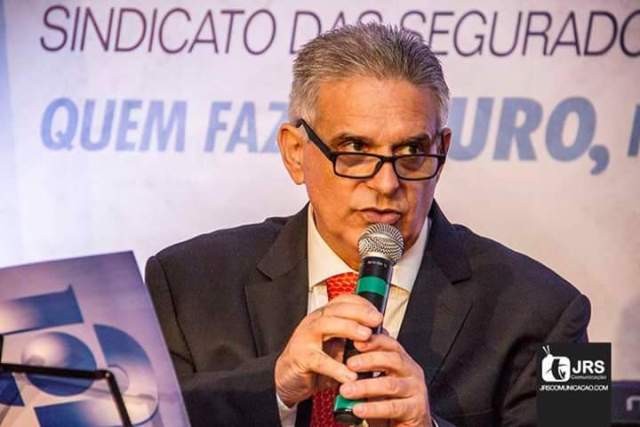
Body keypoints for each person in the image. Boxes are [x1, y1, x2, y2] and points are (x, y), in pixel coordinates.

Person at [145, 23, 590, 427]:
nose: (387, 184)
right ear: (295, 153)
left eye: (412, 152)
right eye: (355, 150)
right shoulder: (183, 283)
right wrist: (275, 388)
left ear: (442, 151)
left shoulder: (557, 310)